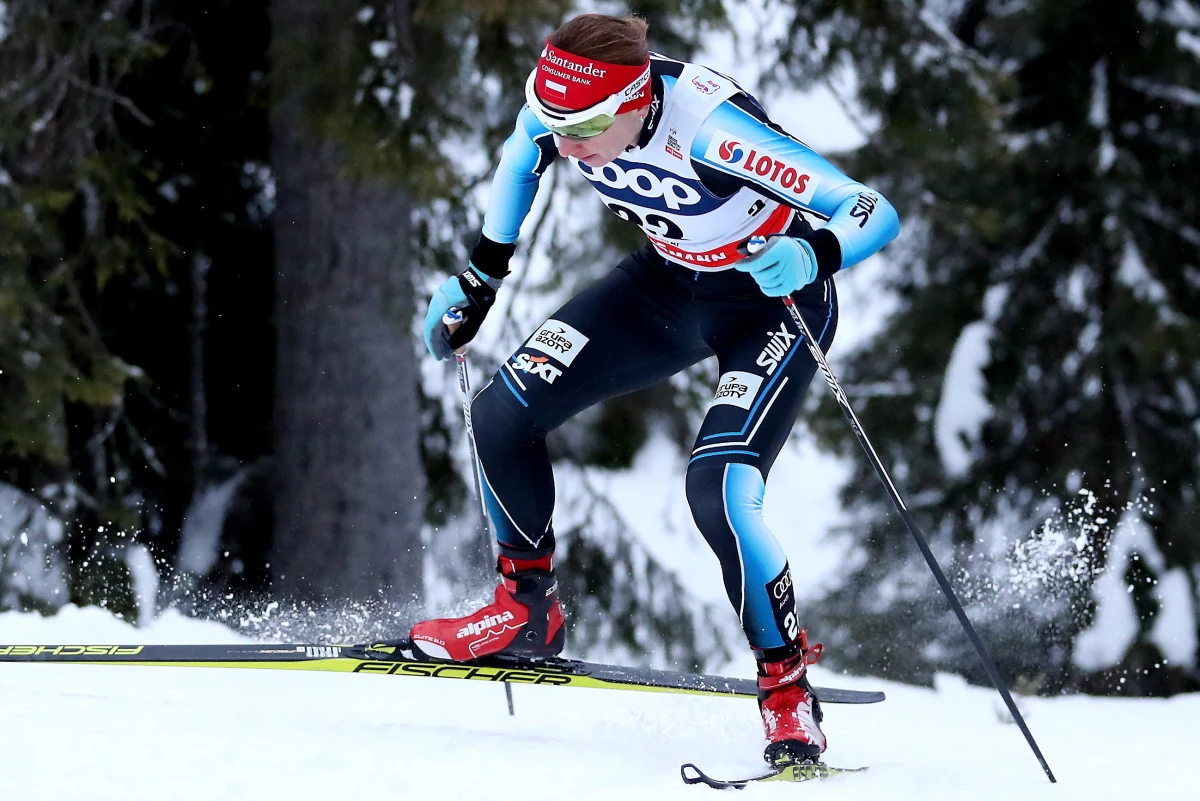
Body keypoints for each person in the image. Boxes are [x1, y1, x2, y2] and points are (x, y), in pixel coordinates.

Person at [412, 13, 899, 766]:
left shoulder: (714, 133)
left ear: (638, 100)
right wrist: (480, 277)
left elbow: (871, 207)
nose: (568, 145)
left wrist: (815, 253)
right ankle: (525, 611)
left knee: (721, 489)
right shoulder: (565, 102)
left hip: (769, 302)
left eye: (585, 129)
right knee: (500, 415)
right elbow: (520, 157)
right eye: (559, 123)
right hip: (667, 284)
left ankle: (787, 687)